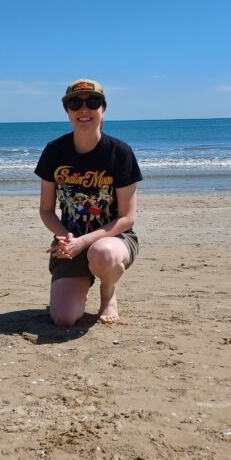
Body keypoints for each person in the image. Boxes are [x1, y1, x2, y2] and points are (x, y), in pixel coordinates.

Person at [35, 79, 142, 327]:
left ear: (103, 108)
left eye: (92, 102)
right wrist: (67, 239)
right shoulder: (54, 151)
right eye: (75, 103)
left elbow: (127, 217)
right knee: (63, 318)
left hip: (113, 239)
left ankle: (108, 290)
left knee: (102, 253)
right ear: (67, 111)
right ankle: (76, 290)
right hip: (70, 240)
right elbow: (47, 211)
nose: (84, 109)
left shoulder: (119, 152)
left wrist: (84, 242)